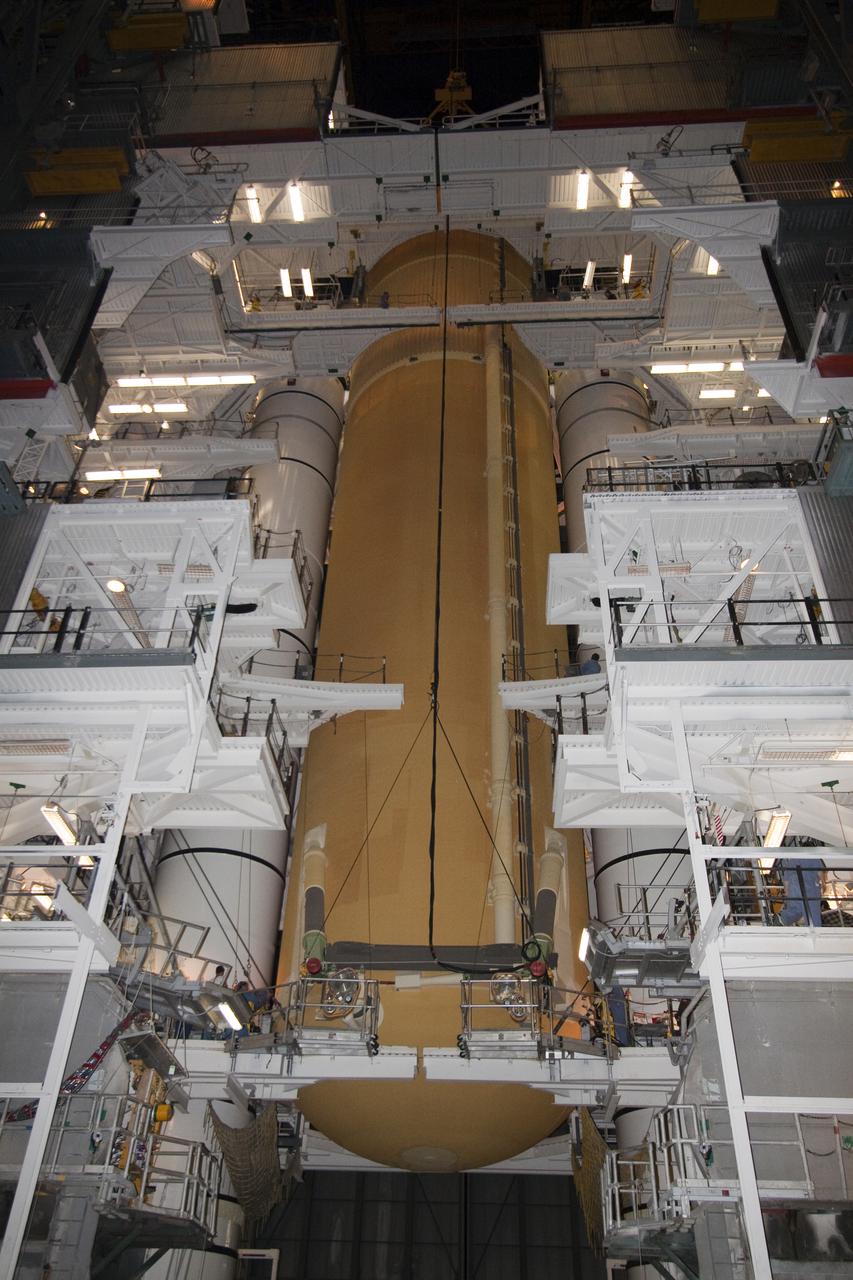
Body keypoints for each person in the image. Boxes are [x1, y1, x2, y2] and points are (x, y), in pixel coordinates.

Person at [778, 857, 824, 926]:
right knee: (813, 915)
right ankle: (814, 930)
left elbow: (786, 880)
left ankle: (782, 919)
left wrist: (787, 894)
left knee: (796, 910)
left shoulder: (791, 861)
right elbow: (820, 873)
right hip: (809, 887)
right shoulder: (814, 858)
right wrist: (823, 885)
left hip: (793, 887)